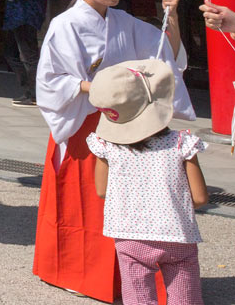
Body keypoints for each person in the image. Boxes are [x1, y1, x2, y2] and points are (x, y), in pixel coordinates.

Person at [34, 0, 191, 300]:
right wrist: (102, 88)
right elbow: (51, 80)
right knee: (90, 200)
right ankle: (79, 271)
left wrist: (173, 16)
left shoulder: (124, 21)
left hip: (129, 121)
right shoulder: (65, 24)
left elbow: (165, 56)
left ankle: (135, 275)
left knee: (131, 201)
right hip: (84, 122)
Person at [86, 59, 208, 305]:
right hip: (177, 234)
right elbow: (200, 198)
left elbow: (102, 191)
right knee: (185, 297)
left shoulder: (106, 146)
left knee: (138, 297)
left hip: (129, 235)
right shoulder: (180, 144)